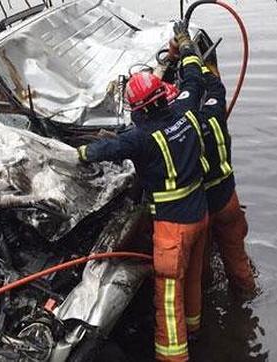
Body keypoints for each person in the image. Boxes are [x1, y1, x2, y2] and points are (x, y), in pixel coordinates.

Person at [77, 22, 208, 361]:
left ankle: (173, 356)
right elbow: (194, 77)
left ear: (138, 109)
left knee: (167, 299)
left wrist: (81, 153)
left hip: (172, 229)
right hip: (200, 214)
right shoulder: (187, 108)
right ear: (163, 97)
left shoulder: (141, 138)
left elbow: (105, 151)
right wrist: (185, 45)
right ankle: (196, 329)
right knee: (193, 277)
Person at [198, 60, 256, 299]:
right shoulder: (216, 114)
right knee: (238, 261)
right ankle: (248, 297)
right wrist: (196, 61)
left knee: (200, 269)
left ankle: (208, 304)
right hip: (228, 201)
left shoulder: (184, 132)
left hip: (200, 211)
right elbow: (216, 86)